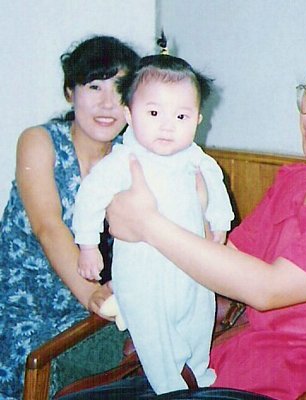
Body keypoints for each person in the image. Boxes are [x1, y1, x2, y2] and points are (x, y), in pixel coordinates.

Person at [60, 32, 306, 400]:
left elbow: (266, 288)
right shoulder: (294, 182)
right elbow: (228, 258)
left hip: (298, 385)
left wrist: (148, 224)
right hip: (229, 366)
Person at [71, 37, 234, 394]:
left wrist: (219, 224)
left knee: (199, 315)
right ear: (129, 114)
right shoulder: (124, 161)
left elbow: (216, 185)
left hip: (192, 264)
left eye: (181, 116)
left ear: (198, 119)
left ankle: (199, 373)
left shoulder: (196, 158)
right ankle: (167, 387)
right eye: (154, 113)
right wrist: (87, 246)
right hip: (142, 274)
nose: (167, 126)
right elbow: (90, 199)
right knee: (153, 332)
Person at [0, 35, 140, 399]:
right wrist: (91, 294)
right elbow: (49, 227)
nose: (108, 103)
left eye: (120, 88)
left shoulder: (131, 156)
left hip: (95, 307)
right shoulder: (40, 141)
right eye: (94, 87)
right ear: (69, 92)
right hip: (23, 307)